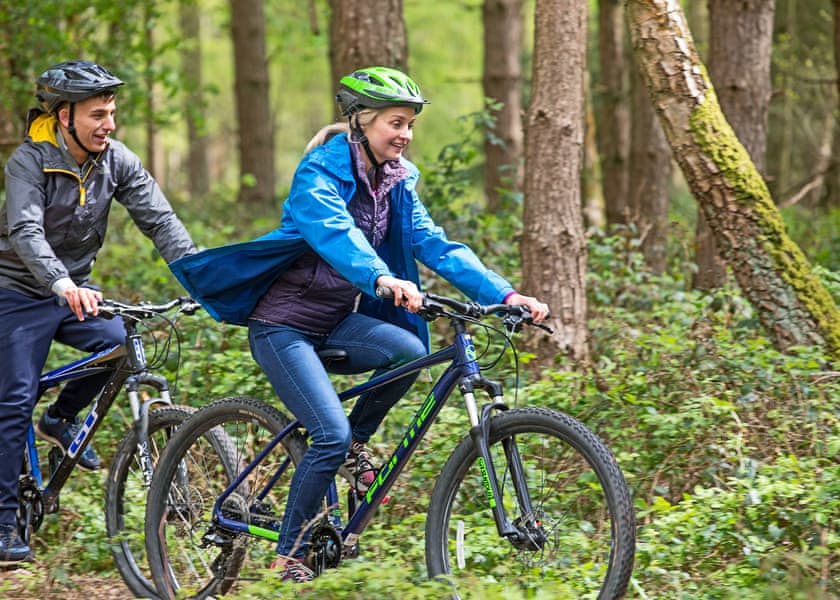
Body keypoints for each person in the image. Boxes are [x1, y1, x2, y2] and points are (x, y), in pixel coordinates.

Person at [167, 65, 549, 583]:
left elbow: (436, 244)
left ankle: (353, 446)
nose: (405, 134)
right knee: (328, 432)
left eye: (410, 124)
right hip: (282, 327)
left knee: (409, 350)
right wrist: (380, 276)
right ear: (362, 122)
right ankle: (289, 555)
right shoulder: (319, 173)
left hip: (335, 322)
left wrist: (504, 294)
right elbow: (334, 232)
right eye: (396, 122)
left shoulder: (397, 181)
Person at [0, 60, 196, 564]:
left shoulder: (116, 160)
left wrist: (201, 278)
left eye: (111, 113)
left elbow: (160, 220)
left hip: (75, 291)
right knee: (15, 396)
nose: (109, 124)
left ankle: (60, 418)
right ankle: (3, 521)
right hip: (17, 291)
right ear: (64, 116)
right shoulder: (28, 161)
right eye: (98, 115)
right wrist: (60, 282)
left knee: (119, 344)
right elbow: (25, 231)